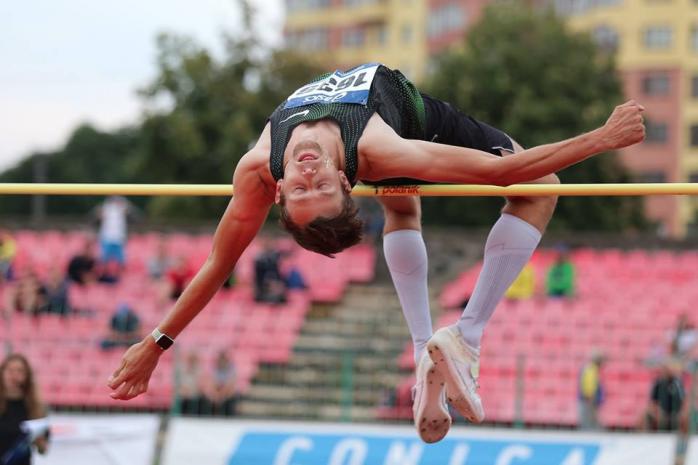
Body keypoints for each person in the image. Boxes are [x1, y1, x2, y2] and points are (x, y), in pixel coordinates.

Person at [107, 63, 645, 443]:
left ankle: (428, 351)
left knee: (405, 208)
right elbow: (218, 267)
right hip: (409, 121)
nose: (310, 174)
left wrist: (154, 344)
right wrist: (603, 137)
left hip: (394, 128)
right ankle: (465, 337)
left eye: (306, 187)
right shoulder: (373, 153)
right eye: (311, 188)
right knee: (542, 187)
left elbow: (216, 266)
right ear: (347, 180)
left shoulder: (261, 167)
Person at [0, 354, 48, 465]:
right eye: (10, 371)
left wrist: (39, 440)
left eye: (20, 371)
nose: (14, 375)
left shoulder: (36, 407)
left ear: (27, 376)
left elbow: (43, 449)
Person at [640, 358, 685, 431]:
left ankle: (683, 438)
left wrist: (680, 412)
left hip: (676, 413)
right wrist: (658, 411)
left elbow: (683, 400)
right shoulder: (658, 383)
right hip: (661, 412)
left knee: (685, 416)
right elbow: (652, 402)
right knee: (645, 415)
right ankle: (645, 437)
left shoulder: (677, 383)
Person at [201, 351, 237, 416]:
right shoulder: (214, 368)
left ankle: (228, 416)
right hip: (217, 390)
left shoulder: (231, 369)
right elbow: (212, 382)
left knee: (230, 396)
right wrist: (216, 394)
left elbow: (230, 384)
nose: (222, 362)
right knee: (208, 397)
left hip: (226, 392)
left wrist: (221, 395)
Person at [578, 349, 606, 430]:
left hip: (589, 401)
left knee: (589, 423)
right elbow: (589, 387)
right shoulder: (591, 370)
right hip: (589, 401)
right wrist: (591, 399)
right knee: (589, 424)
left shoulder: (592, 369)